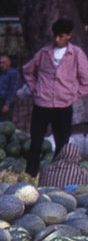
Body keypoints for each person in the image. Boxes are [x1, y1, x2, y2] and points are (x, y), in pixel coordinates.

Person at [23, 18, 88, 177]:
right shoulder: (44, 53)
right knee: (36, 143)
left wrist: (73, 96)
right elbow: (27, 70)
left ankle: (57, 176)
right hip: (41, 105)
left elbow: (85, 81)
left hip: (63, 106)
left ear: (69, 36)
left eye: (61, 36)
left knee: (62, 144)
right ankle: (30, 175)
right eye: (55, 36)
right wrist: (34, 89)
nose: (57, 39)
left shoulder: (77, 54)